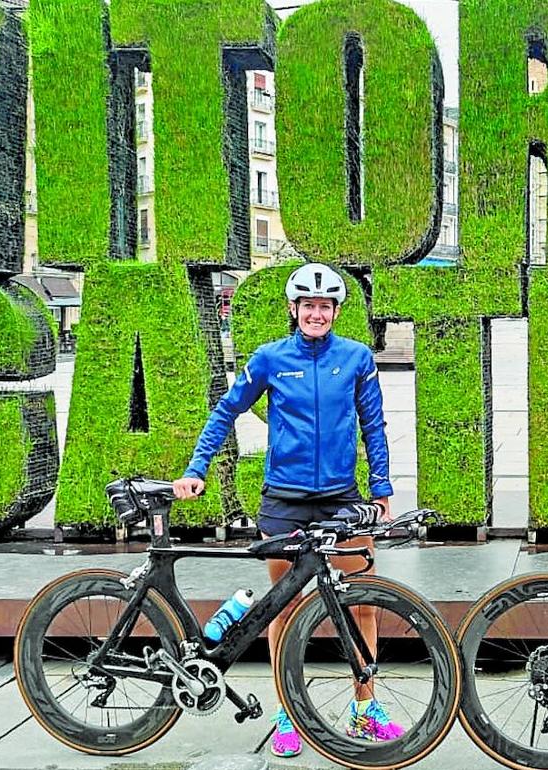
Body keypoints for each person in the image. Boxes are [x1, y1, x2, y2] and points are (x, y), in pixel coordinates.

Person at [173, 262, 401, 759]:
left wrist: (380, 488)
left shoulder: (357, 357)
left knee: (361, 601)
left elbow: (374, 425)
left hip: (343, 498)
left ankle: (366, 708)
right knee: (284, 606)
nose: (316, 313)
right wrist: (197, 467)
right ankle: (287, 712)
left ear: (336, 311)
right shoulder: (270, 358)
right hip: (284, 501)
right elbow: (225, 410)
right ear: (293, 309)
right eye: (308, 305)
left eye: (325, 306)